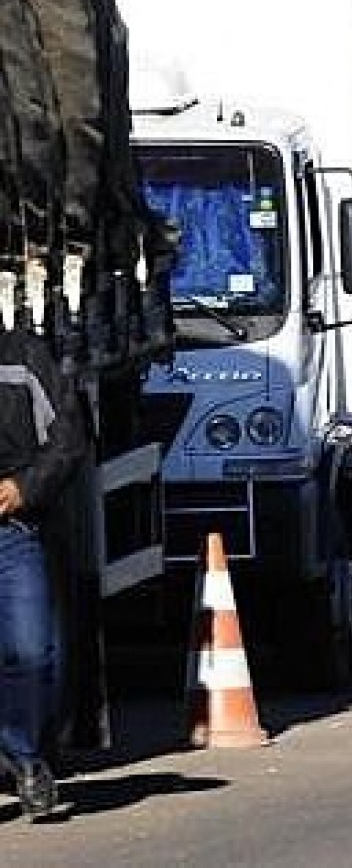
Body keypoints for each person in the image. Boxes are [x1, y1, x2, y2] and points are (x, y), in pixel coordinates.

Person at [0, 331, 88, 822]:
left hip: (12, 533)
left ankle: (26, 757)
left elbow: (67, 440)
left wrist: (23, 488)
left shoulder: (25, 357)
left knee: (32, 652)